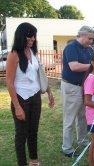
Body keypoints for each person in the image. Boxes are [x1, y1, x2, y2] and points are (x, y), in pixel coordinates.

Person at [6, 22, 54, 166]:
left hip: (35, 97)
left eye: (34, 35)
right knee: (21, 135)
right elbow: (9, 82)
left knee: (33, 131)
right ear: (22, 35)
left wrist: (49, 93)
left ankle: (34, 161)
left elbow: (40, 75)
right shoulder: (14, 55)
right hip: (21, 99)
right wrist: (17, 106)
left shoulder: (33, 53)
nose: (32, 38)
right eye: (29, 35)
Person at [61, 26, 94, 157]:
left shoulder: (89, 49)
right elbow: (74, 67)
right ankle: (67, 148)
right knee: (69, 118)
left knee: (83, 117)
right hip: (71, 87)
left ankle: (83, 140)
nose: (91, 41)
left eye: (92, 38)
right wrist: (93, 65)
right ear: (81, 35)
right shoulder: (71, 47)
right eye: (89, 38)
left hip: (84, 87)